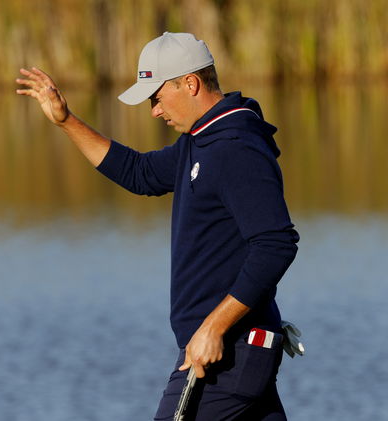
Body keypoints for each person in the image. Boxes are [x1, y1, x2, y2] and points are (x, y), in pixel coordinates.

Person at [16, 32, 299, 421]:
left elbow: (276, 244)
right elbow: (141, 174)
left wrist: (213, 328)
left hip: (227, 353)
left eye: (157, 96)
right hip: (234, 353)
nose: (154, 110)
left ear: (191, 83)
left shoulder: (236, 146)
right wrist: (66, 121)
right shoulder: (201, 140)